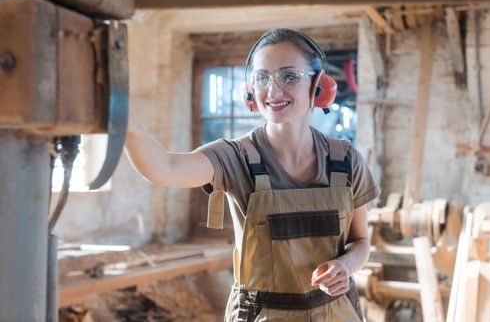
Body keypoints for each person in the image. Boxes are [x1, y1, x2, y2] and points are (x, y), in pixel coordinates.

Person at [125, 28, 380, 322]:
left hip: (336, 313)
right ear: (250, 91)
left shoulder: (346, 161)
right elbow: (163, 168)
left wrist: (347, 265)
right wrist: (125, 121)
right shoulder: (235, 157)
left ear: (319, 87)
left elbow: (361, 242)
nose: (272, 91)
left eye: (289, 76)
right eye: (262, 78)